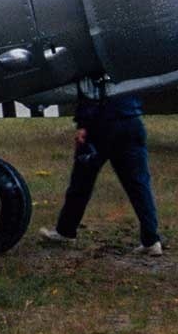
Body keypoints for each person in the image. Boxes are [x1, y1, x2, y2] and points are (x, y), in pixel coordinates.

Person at [40, 93, 162, 255]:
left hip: (99, 126)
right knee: (139, 185)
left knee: (81, 183)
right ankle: (151, 240)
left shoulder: (96, 70)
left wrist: (83, 124)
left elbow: (89, 91)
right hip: (131, 121)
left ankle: (65, 231)